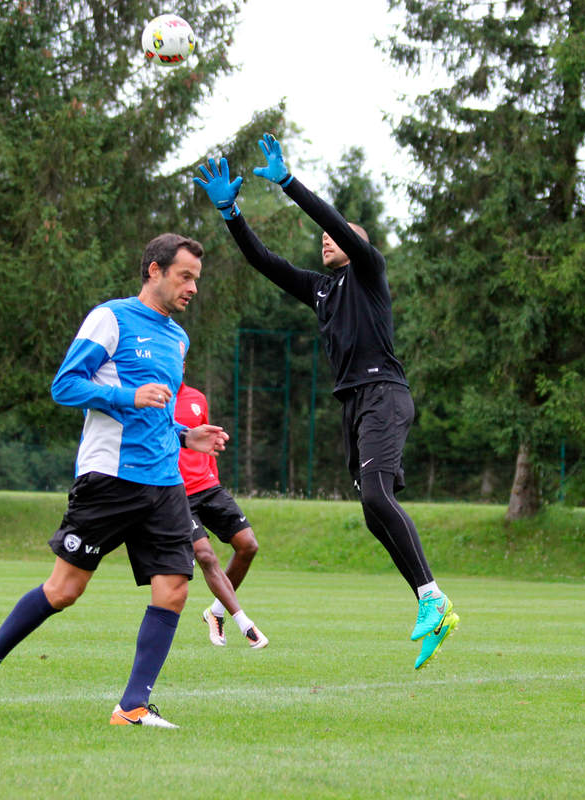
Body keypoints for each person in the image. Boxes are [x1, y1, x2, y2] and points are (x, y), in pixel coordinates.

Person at [194, 134, 458, 670]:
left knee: (379, 496)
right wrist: (231, 213)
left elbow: (337, 222)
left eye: (334, 236)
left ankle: (433, 597)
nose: (325, 240)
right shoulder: (320, 289)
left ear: (355, 245)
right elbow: (264, 261)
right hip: (355, 404)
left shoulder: (368, 271)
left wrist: (289, 182)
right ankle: (429, 602)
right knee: (371, 511)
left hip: (384, 393)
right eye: (321, 237)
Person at [0, 233, 229, 728]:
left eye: (196, 280)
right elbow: (65, 386)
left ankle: (132, 707)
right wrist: (127, 396)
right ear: (154, 271)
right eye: (185, 277)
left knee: (174, 590)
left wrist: (188, 437)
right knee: (64, 589)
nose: (192, 288)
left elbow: (157, 409)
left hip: (164, 482)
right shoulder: (111, 318)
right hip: (109, 478)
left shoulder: (178, 338)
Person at [175, 381, 268, 649]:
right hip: (176, 493)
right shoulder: (154, 398)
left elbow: (207, 442)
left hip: (208, 487)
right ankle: (245, 624)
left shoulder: (197, 399)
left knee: (248, 545)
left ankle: (215, 612)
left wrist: (213, 475)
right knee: (205, 555)